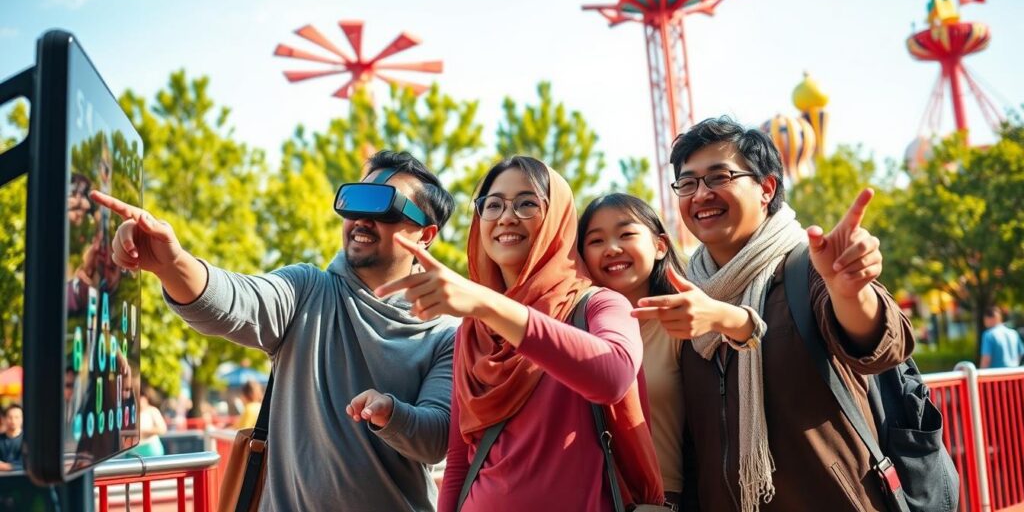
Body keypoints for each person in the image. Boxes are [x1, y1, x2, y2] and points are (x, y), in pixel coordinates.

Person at [92, 150, 460, 512]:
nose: (361, 219)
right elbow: (236, 301)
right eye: (353, 204)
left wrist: (392, 413)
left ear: (424, 235)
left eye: (383, 208)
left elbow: (436, 438)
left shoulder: (446, 332)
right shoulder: (307, 289)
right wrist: (173, 265)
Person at [633, 117, 914, 512]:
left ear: (766, 189)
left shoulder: (808, 267)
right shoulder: (685, 291)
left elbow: (883, 348)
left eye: (719, 177)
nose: (701, 194)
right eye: (688, 182)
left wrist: (851, 292)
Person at [376, 156, 664, 512]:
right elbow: (460, 460)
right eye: (492, 205)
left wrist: (487, 305)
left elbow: (613, 376)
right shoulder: (474, 327)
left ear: (558, 219)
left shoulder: (598, 305)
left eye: (527, 203)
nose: (506, 216)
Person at [578, 193, 693, 510]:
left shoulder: (684, 326)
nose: (612, 248)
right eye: (596, 240)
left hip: (660, 501)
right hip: (585, 496)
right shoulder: (570, 332)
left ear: (660, 246)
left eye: (626, 234)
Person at [129, 385, 168, 457]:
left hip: (150, 448)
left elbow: (162, 429)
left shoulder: (152, 411)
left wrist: (145, 432)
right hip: (133, 452)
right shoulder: (129, 413)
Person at [0, 404, 23, 472]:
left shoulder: (28, 440)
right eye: (10, 417)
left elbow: (27, 463)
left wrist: (7, 467)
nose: (13, 420)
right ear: (4, 419)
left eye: (17, 417)